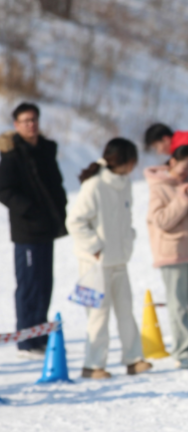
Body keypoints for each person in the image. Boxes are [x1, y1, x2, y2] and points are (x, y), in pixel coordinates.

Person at [66, 139, 152, 378]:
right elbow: (75, 221)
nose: (135, 165)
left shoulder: (125, 184)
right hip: (96, 264)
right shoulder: (94, 186)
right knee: (98, 315)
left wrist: (129, 238)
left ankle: (133, 359)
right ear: (122, 161)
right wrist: (95, 246)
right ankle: (93, 365)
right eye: (132, 160)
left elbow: (126, 218)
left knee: (126, 310)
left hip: (119, 259)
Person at [0, 102, 68, 358]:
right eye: (26, 121)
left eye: (34, 120)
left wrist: (60, 211)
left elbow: (56, 184)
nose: (31, 125)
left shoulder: (46, 150)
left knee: (44, 283)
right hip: (26, 231)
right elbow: (4, 190)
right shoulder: (12, 153)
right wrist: (29, 210)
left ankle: (39, 336)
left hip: (47, 229)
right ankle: (25, 340)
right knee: (28, 285)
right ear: (16, 125)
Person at [145, 143, 188, 369]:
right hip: (172, 253)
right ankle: (183, 352)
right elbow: (161, 220)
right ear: (172, 162)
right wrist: (183, 200)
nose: (187, 172)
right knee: (178, 305)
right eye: (184, 166)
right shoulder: (159, 187)